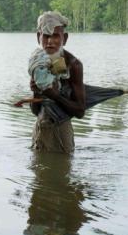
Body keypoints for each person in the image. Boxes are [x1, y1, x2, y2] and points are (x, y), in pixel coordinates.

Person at [29, 11, 86, 153]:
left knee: (62, 171)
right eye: (46, 36)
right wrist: (36, 91)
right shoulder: (39, 65)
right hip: (41, 127)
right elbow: (35, 111)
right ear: (38, 37)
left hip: (62, 131)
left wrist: (55, 95)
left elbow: (80, 111)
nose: (50, 41)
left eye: (55, 36)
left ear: (64, 38)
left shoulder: (73, 65)